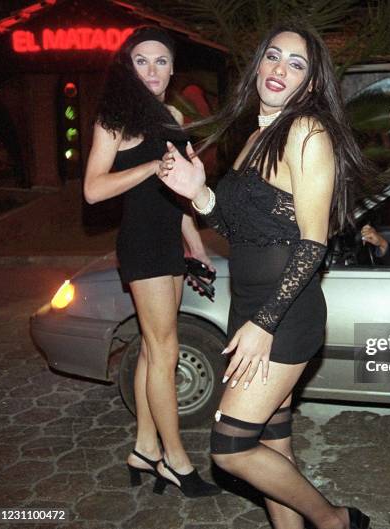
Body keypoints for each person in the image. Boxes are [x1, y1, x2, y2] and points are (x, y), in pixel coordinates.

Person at [157, 24, 372, 529]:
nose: (279, 69)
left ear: (313, 84)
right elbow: (239, 228)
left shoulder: (307, 133)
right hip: (249, 307)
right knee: (272, 445)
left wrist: (265, 324)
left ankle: (334, 519)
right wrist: (200, 193)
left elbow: (313, 241)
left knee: (230, 446)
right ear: (257, 65)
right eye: (272, 57)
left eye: (296, 64)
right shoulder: (256, 138)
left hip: (284, 315)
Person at [83, 26, 218, 497]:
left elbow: (179, 190)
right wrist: (145, 167)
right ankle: (175, 461)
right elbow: (93, 189)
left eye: (161, 61)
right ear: (128, 65)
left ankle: (143, 448)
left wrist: (197, 248)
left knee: (151, 346)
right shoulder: (115, 118)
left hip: (169, 243)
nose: (153, 70)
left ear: (173, 69)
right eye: (142, 60)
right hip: (141, 244)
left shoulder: (172, 115)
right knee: (165, 352)